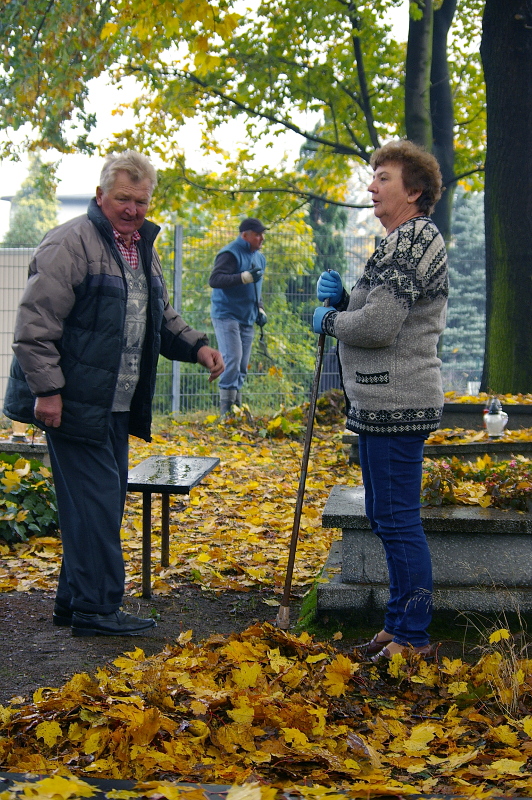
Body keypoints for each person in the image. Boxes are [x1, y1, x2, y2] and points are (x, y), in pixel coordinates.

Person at [3, 151, 224, 637]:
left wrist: (198, 346)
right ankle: (97, 610)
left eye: (141, 201)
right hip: (74, 402)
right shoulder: (71, 242)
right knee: (98, 505)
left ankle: (73, 603)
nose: (132, 209)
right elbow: (35, 326)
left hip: (114, 406)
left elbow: (158, 317)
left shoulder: (141, 247)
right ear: (100, 195)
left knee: (94, 505)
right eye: (123, 198)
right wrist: (49, 391)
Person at [313, 140, 448, 660]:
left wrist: (330, 319)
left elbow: (379, 326)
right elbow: (375, 310)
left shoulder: (411, 241)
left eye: (383, 177)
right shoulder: (401, 241)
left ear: (413, 190)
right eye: (374, 175)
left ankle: (413, 638)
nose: (371, 185)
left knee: (397, 519)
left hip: (396, 402)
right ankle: (398, 626)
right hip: (380, 403)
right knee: (385, 515)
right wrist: (344, 301)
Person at [209, 217, 267, 415]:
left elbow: (257, 288)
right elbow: (215, 280)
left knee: (242, 364)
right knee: (232, 359)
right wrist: (243, 277)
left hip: (247, 316)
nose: (261, 238)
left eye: (262, 234)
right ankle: (226, 413)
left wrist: (260, 309)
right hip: (227, 314)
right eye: (257, 234)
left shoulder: (260, 258)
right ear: (245, 235)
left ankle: (235, 411)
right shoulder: (230, 253)